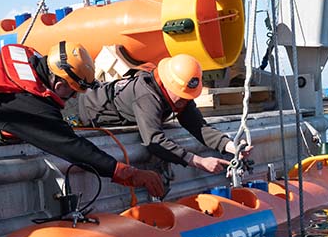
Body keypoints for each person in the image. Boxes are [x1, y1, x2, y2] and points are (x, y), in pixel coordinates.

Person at [0, 41, 165, 198]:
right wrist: (129, 173)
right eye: (71, 91)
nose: (71, 98)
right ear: (58, 84)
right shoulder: (28, 105)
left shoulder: (27, 62)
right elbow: (72, 146)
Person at [78, 54, 251, 175]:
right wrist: (199, 161)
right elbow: (154, 141)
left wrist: (232, 147)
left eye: (187, 97)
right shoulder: (147, 95)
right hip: (85, 109)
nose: (185, 101)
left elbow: (199, 127)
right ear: (169, 85)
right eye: (182, 97)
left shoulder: (179, 94)